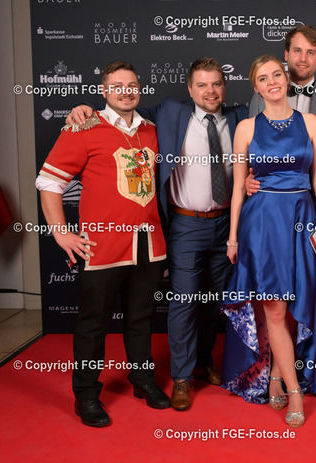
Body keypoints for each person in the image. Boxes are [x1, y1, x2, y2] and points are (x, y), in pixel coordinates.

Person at [67, 58, 249, 411]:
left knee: (213, 302)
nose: (210, 91)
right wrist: (82, 107)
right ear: (190, 89)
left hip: (227, 224)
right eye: (202, 85)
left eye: (216, 84)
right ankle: (181, 377)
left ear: (224, 86)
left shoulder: (240, 116)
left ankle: (203, 361)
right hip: (185, 224)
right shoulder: (169, 112)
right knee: (184, 301)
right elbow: (120, 110)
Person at [36, 61, 170, 427]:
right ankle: (86, 395)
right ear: (104, 91)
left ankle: (142, 379)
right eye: (117, 86)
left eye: (132, 85)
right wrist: (61, 232)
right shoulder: (83, 127)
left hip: (148, 244)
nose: (126, 91)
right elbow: (49, 182)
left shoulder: (151, 129)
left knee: (141, 319)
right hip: (102, 246)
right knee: (93, 323)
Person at [222, 55, 316, 428]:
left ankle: (276, 375)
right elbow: (238, 188)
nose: (272, 81)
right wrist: (232, 237)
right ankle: (294, 391)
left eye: (277, 74)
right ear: (255, 87)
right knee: (274, 309)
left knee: (295, 306)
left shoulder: (311, 123)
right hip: (261, 224)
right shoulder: (245, 128)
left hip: (301, 220)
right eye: (263, 78)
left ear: (286, 78)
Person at [247, 25, 316, 305]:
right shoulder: (260, 99)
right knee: (275, 291)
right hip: (273, 212)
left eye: (310, 52)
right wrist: (248, 177)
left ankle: (315, 338)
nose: (303, 58)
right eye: (297, 51)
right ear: (286, 54)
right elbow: (252, 153)